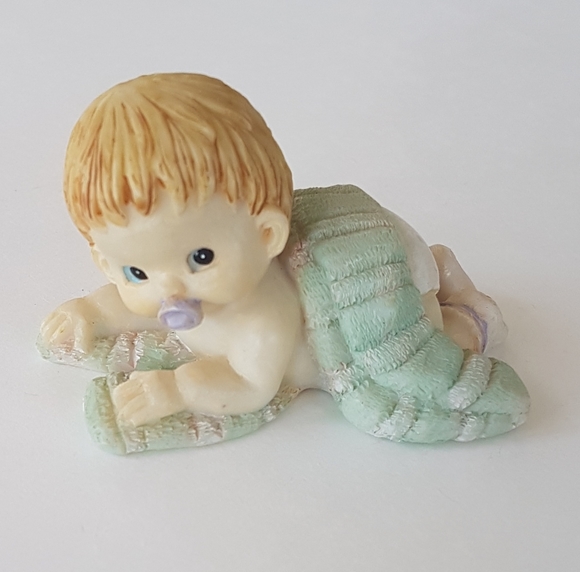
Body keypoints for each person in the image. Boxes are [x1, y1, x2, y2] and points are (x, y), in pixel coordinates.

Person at [39, 73, 527, 445]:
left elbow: (250, 384)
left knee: (440, 338)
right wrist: (92, 312)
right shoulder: (178, 289)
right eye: (137, 272)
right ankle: (437, 265)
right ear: (106, 263)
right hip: (404, 252)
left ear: (267, 234)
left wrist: (179, 389)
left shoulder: (263, 316)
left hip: (387, 294)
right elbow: (139, 307)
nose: (169, 290)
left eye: (201, 257)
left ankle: (469, 309)